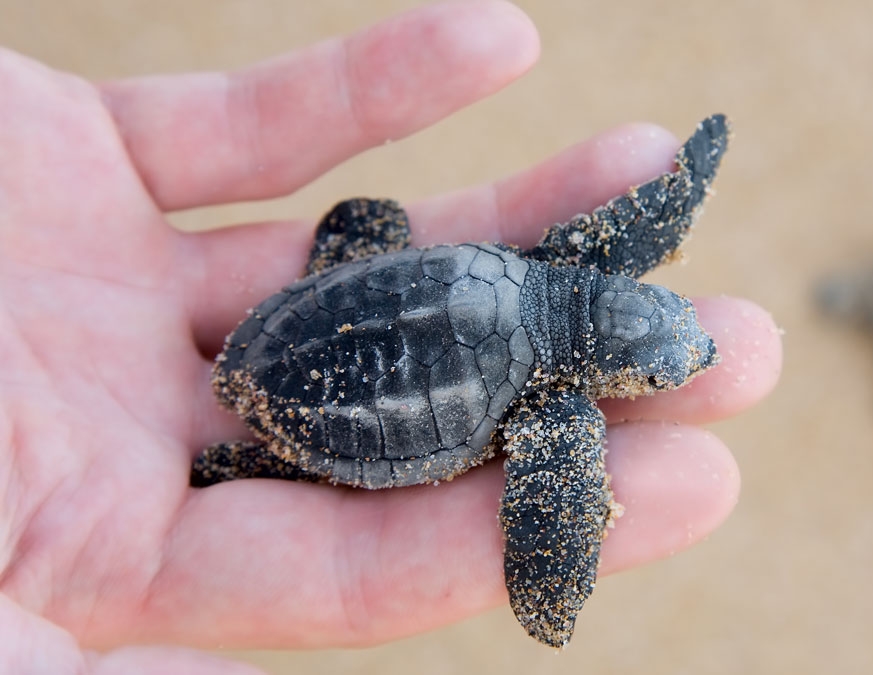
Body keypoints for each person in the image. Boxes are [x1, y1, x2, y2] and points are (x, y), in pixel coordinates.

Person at [0, 1, 781, 672]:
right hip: (324, 403)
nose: (688, 366)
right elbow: (555, 521)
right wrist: (550, 589)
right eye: (655, 377)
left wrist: (687, 182)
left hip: (301, 317)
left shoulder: (566, 264)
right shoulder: (562, 420)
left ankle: (256, 443)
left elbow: (641, 226)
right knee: (330, 438)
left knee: (373, 225)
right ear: (612, 365)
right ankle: (247, 458)